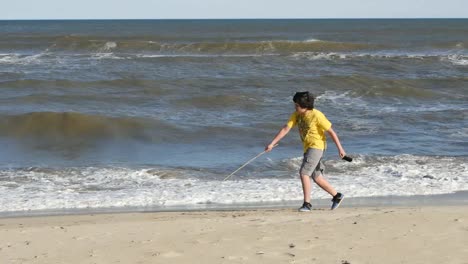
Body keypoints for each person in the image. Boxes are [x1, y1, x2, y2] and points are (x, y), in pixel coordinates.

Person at [265, 91, 346, 212]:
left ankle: (307, 204)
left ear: (305, 106)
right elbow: (286, 128)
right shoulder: (297, 115)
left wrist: (340, 148)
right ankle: (337, 196)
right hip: (308, 148)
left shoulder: (317, 115)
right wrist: (272, 143)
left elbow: (331, 132)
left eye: (297, 105)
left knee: (304, 173)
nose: (295, 107)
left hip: (316, 147)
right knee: (316, 176)